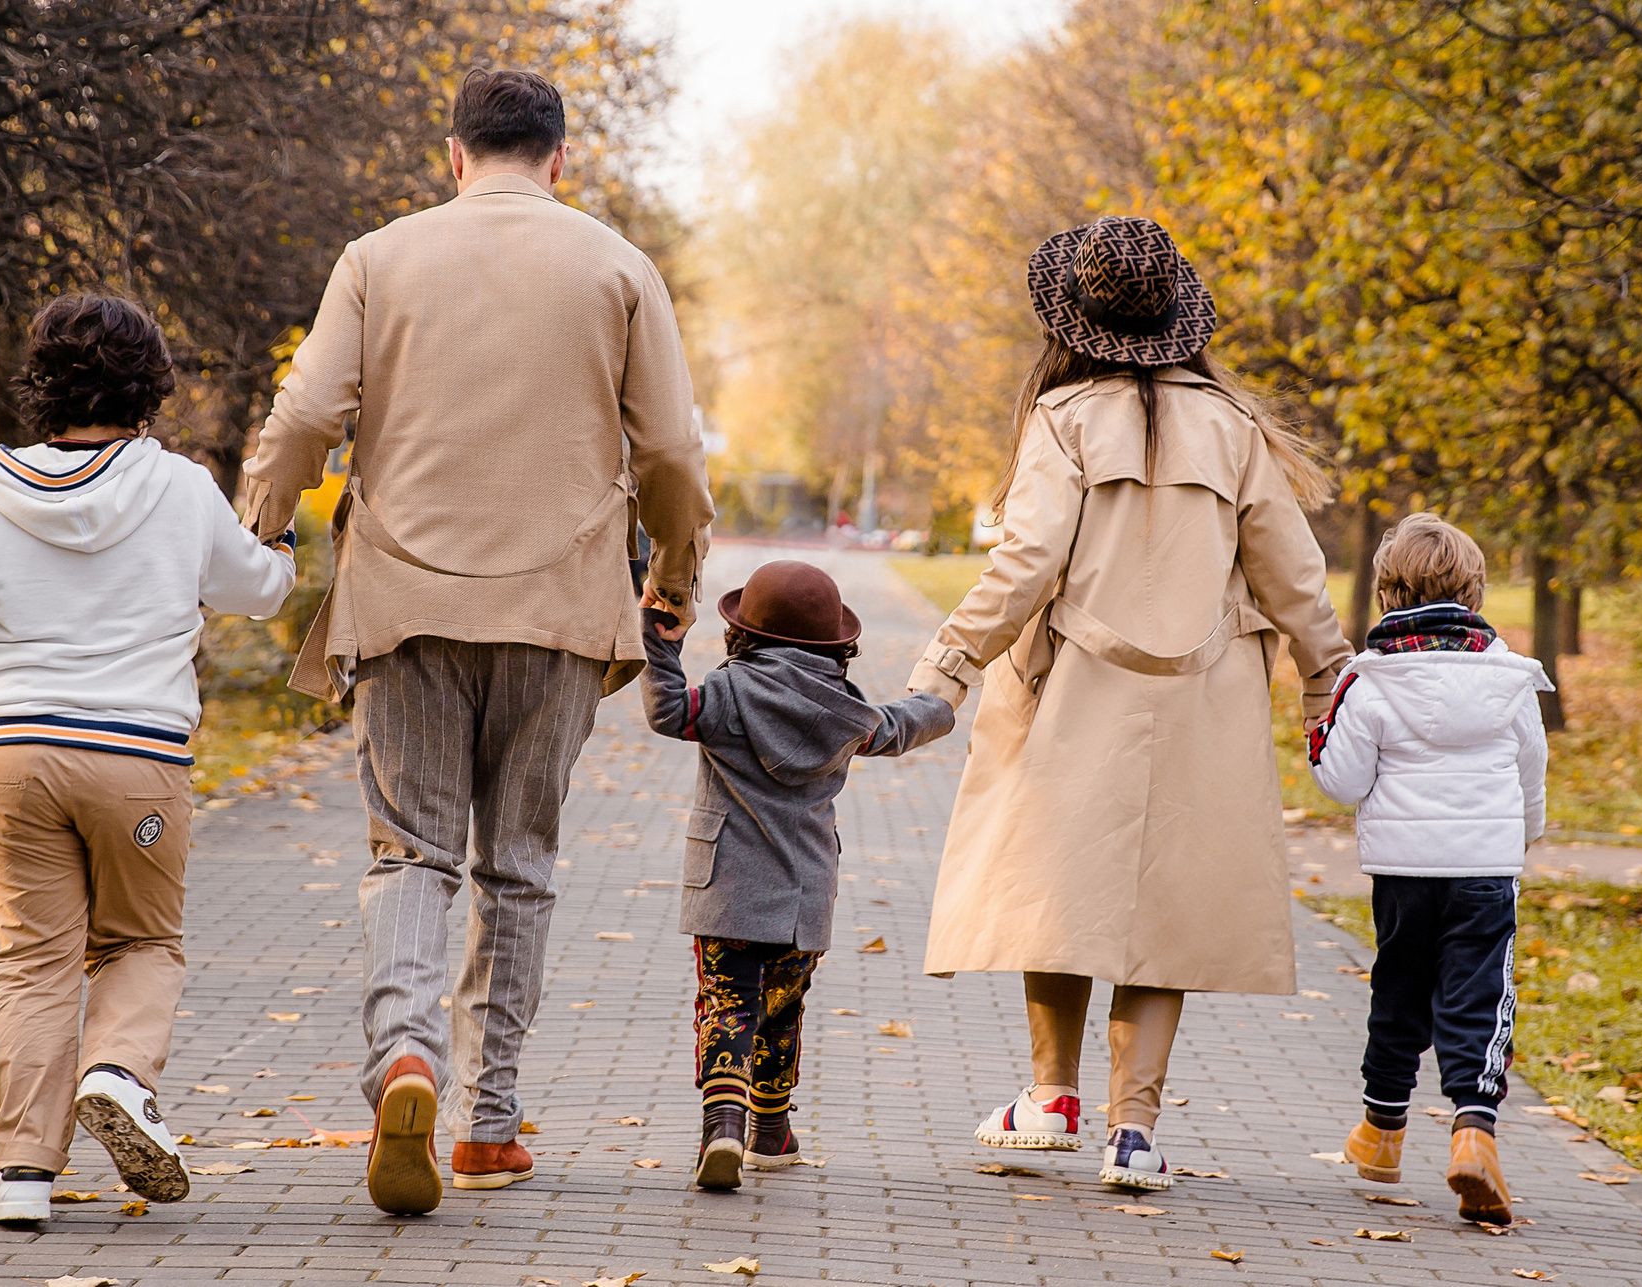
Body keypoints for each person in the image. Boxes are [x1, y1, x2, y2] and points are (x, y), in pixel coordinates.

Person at [236, 67, 713, 1214]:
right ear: (559, 157)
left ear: (453, 155)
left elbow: (305, 416)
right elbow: (673, 457)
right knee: (521, 866)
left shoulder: (379, 258)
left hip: (403, 604)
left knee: (411, 854)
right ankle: (488, 1127)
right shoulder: (617, 267)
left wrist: (264, 520)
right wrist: (677, 579)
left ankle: (407, 1057)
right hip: (558, 611)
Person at [907, 215, 1352, 1191]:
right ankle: (1134, 1132)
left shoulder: (1061, 421)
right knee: (1166, 904)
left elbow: (1025, 564)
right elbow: (1293, 580)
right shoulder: (1235, 432)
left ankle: (1050, 1097)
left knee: (1060, 890)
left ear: (1070, 323)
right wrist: (1329, 677)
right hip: (1206, 703)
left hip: (1073, 687)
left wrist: (947, 663)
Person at [0, 294, 296, 1224]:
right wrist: (277, 546)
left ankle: (21, 1178)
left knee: (34, 956)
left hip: (11, 758)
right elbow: (261, 590)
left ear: (43, 387)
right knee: (142, 939)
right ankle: (116, 1074)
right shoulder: (183, 489)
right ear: (148, 387)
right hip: (137, 763)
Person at [637, 560, 955, 1189]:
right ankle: (771, 1131)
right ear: (835, 644)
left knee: (728, 1004)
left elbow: (668, 710)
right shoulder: (846, 712)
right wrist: (940, 705)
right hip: (806, 897)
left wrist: (658, 638)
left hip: (726, 889)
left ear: (743, 633)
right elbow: (899, 727)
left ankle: (721, 1127)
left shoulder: (726, 695)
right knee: (781, 1010)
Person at [1307, 513, 1549, 1226]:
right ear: (1474, 591)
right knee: (1478, 996)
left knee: (1399, 987)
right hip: (1485, 867)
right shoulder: (1508, 674)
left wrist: (1321, 732)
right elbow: (1530, 765)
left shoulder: (1369, 678)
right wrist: (1525, 832)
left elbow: (1342, 781)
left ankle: (1382, 1136)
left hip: (1403, 871)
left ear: (1386, 592)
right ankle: (1473, 1134)